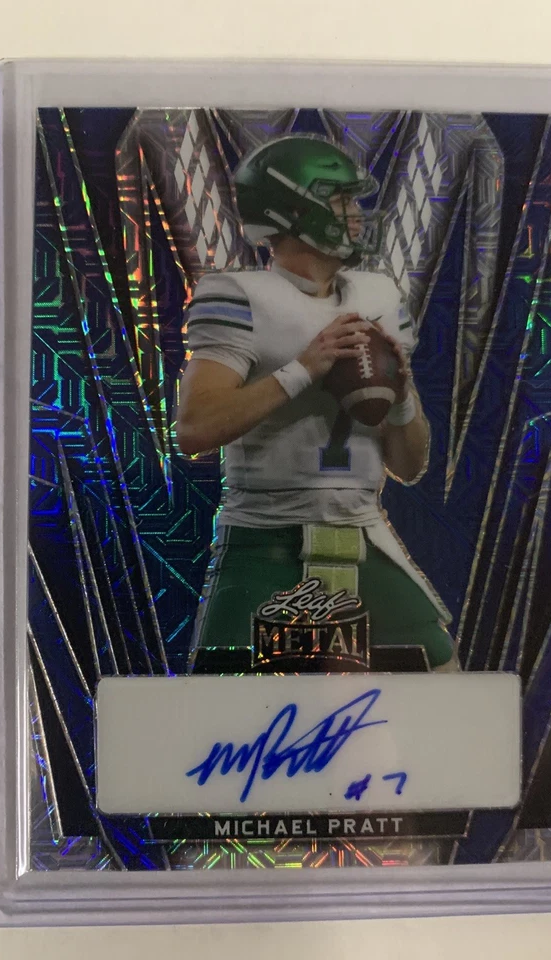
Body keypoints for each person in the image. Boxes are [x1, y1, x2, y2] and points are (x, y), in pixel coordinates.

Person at [176, 134, 457, 672]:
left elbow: (409, 466)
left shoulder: (378, 297)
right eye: (340, 199)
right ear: (293, 208)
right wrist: (304, 369)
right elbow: (194, 430)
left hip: (362, 531)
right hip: (265, 539)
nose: (355, 213)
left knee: (444, 682)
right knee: (220, 704)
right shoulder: (240, 295)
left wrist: (401, 399)